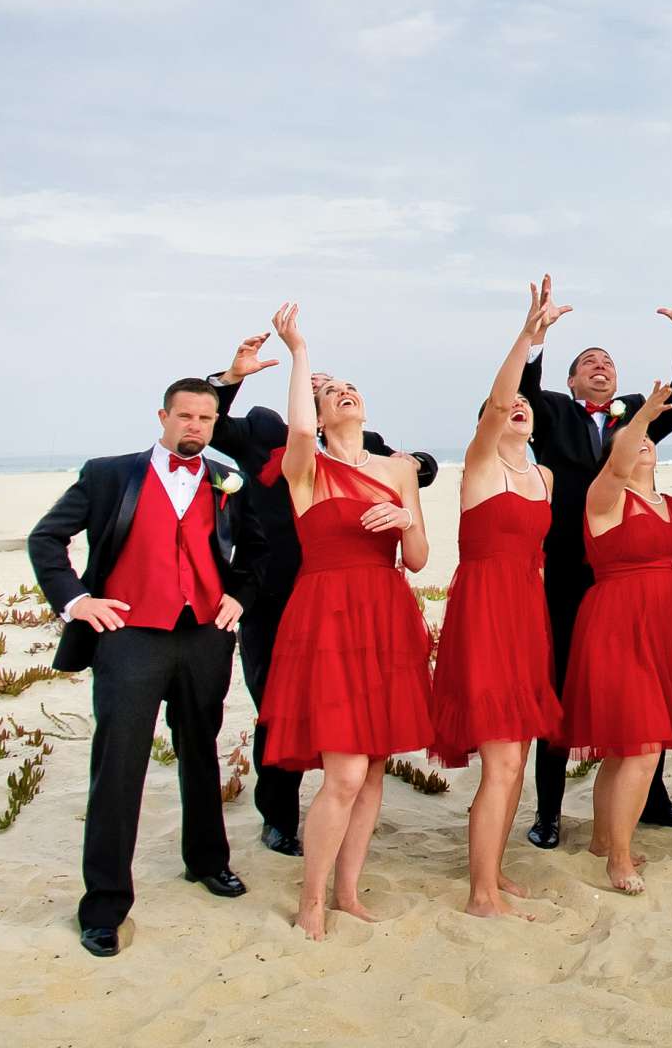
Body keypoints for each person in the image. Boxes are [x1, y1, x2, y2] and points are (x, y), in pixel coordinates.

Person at [27, 377, 252, 957]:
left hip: (204, 635)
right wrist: (78, 601)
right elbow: (47, 538)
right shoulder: (109, 474)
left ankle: (206, 861)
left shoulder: (229, 479)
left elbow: (259, 549)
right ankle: (103, 905)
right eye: (185, 417)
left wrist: (240, 594)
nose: (195, 427)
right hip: (128, 638)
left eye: (205, 419)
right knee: (119, 766)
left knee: (200, 748)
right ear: (163, 417)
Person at [208, 335, 436, 859]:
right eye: (319, 384)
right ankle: (279, 818)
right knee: (279, 709)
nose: (325, 386)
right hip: (274, 591)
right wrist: (232, 378)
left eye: (333, 382)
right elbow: (210, 422)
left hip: (354, 596)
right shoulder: (267, 429)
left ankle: (343, 817)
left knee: (354, 715)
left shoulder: (366, 440)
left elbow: (414, 468)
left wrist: (417, 464)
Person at [254, 304, 435, 939]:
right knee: (346, 771)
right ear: (320, 410)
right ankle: (310, 898)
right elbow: (300, 430)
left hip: (385, 612)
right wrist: (301, 353)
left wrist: (408, 521)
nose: (344, 394)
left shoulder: (398, 470)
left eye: (348, 388)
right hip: (328, 615)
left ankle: (348, 892)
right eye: (332, 393)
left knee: (376, 767)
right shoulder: (305, 467)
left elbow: (417, 560)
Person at [517, 275, 672, 849]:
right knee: (561, 684)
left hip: (629, 570)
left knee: (647, 683)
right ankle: (548, 812)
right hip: (570, 569)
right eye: (589, 362)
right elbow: (523, 387)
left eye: (608, 362)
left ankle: (651, 799)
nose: (601, 367)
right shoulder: (551, 412)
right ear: (572, 379)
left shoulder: (634, 422)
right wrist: (538, 332)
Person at [428, 289, 566, 917]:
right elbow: (502, 394)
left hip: (526, 614)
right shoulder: (479, 465)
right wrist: (526, 337)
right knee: (502, 760)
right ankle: (481, 891)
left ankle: (496, 867)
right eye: (503, 405)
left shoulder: (547, 479)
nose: (516, 408)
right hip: (483, 612)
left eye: (523, 406)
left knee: (520, 756)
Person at [558, 380, 672, 894]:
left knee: (625, 748)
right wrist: (642, 417)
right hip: (617, 626)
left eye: (649, 437)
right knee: (643, 745)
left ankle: (604, 841)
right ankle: (620, 860)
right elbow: (618, 462)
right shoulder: (603, 498)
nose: (643, 442)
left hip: (666, 631)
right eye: (631, 438)